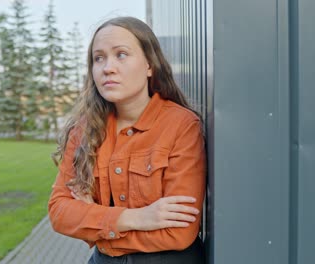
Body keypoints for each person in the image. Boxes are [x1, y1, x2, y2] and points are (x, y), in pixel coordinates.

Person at [48, 16, 206, 264]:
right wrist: (138, 218)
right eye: (98, 58)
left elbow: (179, 232)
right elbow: (59, 212)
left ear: (149, 65)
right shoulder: (84, 131)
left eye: (121, 54)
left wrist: (95, 223)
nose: (107, 67)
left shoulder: (181, 126)